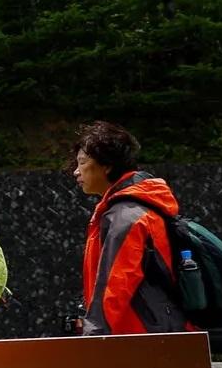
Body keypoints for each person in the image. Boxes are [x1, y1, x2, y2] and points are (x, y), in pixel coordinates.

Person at [73, 122, 189, 336]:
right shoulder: (141, 206)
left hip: (137, 335)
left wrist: (92, 338)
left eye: (82, 163)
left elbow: (115, 285)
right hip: (160, 328)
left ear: (106, 165)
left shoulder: (125, 216)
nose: (75, 172)